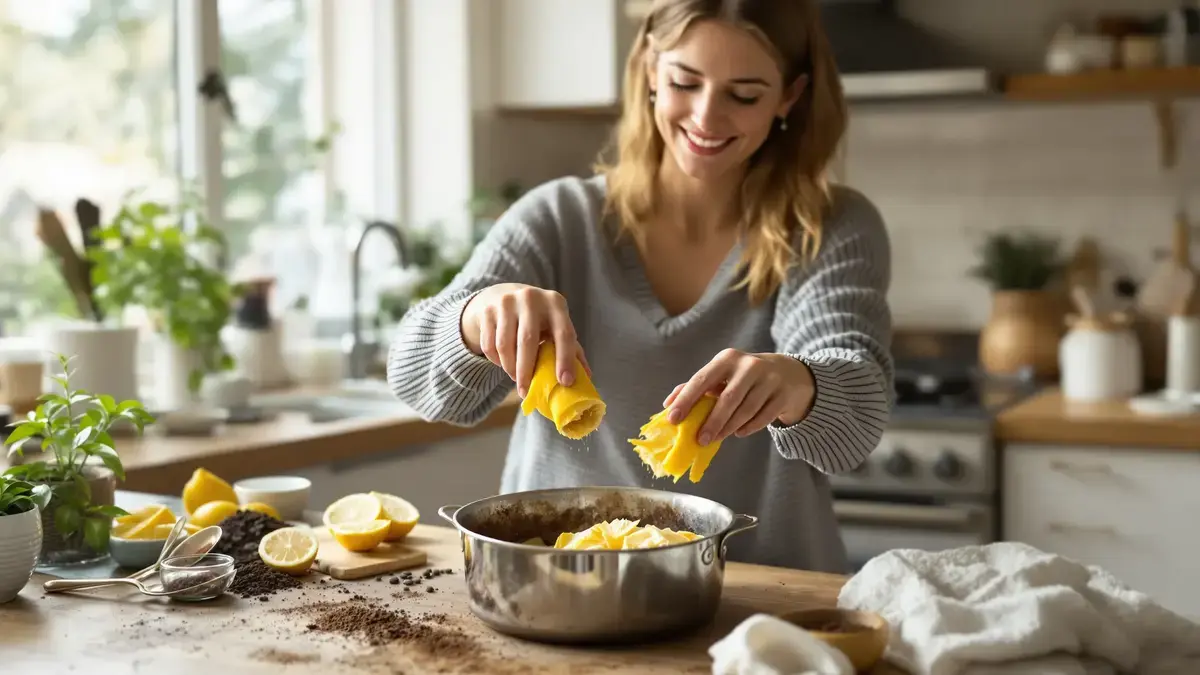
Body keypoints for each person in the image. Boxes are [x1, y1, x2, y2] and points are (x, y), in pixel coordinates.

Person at [387, 0, 892, 572]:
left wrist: (798, 382)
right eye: (685, 81)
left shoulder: (829, 229)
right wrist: (474, 319)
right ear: (651, 71)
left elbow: (856, 423)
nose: (706, 116)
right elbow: (411, 375)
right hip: (562, 579)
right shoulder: (557, 219)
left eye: (743, 94)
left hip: (765, 595)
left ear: (789, 97)